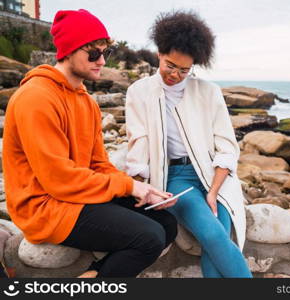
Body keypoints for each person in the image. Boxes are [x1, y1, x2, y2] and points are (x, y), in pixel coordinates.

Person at [2, 9, 178, 278]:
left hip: (74, 196)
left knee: (166, 223)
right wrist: (128, 185)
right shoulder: (36, 98)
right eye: (93, 53)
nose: (101, 61)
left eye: (104, 53)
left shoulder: (86, 101)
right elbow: (58, 178)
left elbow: (97, 164)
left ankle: (93, 277)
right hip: (45, 206)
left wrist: (140, 190)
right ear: (69, 51)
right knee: (149, 237)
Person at [126, 10, 252, 278]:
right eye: (170, 65)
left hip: (215, 176)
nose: (175, 74)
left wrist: (214, 191)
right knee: (213, 235)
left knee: (214, 241)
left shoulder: (209, 92)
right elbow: (138, 148)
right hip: (176, 181)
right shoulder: (139, 92)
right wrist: (144, 190)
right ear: (159, 53)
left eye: (184, 70)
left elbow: (227, 147)